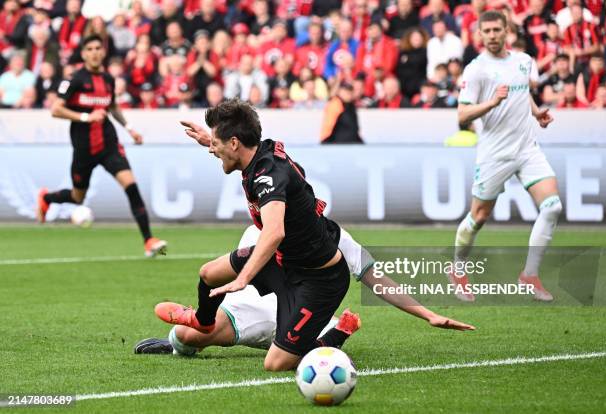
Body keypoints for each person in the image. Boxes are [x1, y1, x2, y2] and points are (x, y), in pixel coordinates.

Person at [156, 99, 357, 372]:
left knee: (276, 364)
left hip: (318, 280)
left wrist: (244, 278)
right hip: (285, 260)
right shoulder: (259, 154)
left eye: (217, 142)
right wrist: (212, 141)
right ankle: (204, 320)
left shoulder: (267, 175)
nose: (213, 149)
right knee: (209, 273)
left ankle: (336, 336)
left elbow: (274, 232)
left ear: (235, 143)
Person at [136, 225, 475, 355]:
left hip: (305, 311)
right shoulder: (257, 233)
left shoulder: (335, 237)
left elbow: (375, 278)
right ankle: (181, 341)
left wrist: (428, 315)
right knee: (183, 336)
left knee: (298, 359)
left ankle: (335, 333)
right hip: (249, 311)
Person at [453, 11, 561, 302]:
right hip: (494, 153)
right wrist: (493, 101)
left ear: (506, 31)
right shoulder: (476, 70)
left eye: (496, 30)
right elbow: (463, 113)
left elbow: (521, 91)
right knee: (479, 216)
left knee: (551, 207)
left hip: (527, 148)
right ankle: (458, 269)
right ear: (479, 34)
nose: (491, 35)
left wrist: (537, 113)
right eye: (485, 31)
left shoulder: (524, 61)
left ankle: (529, 274)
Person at [36, 35, 167, 258]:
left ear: (103, 52)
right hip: (84, 148)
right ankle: (46, 198)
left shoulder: (108, 79)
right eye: (90, 49)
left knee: (131, 186)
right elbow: (55, 110)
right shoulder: (74, 80)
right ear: (84, 53)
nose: (95, 52)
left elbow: (113, 106)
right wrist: (87, 117)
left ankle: (148, 240)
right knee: (78, 198)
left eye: (98, 48)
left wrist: (130, 128)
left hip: (109, 145)